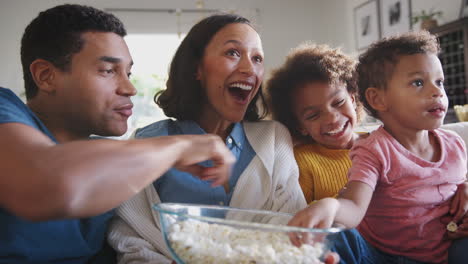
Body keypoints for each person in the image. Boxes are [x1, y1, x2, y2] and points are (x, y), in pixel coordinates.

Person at [0, 4, 235, 263]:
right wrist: (178, 147)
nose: (129, 88)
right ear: (46, 76)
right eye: (108, 71)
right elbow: (43, 185)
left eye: (128, 73)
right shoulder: (4, 109)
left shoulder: (112, 159)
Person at [107, 14, 309, 263]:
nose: (249, 69)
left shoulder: (274, 138)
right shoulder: (146, 143)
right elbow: (132, 244)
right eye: (233, 53)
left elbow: (292, 231)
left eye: (257, 58)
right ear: (196, 68)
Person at [288, 30, 468, 264]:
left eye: (439, 82)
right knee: (341, 238)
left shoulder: (454, 143)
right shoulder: (374, 150)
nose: (437, 92)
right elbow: (354, 204)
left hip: (445, 254)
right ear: (377, 99)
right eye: (418, 82)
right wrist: (330, 206)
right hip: (381, 256)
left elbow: (458, 184)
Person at [267, 43, 364, 204]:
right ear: (299, 126)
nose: (332, 119)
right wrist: (341, 201)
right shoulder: (301, 163)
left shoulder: (382, 143)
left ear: (353, 98)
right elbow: (297, 214)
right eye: (313, 115)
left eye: (338, 102)